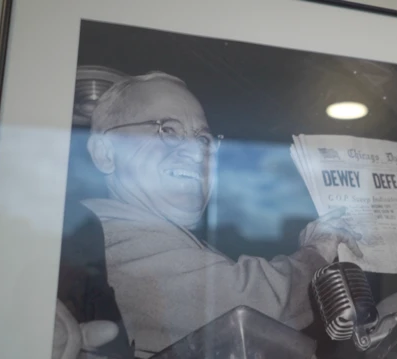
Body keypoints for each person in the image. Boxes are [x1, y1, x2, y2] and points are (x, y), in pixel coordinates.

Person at [81, 71, 363, 357]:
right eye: (167, 130)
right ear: (106, 153)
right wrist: (317, 250)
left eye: (203, 139)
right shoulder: (108, 237)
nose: (194, 152)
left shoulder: (161, 240)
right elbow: (252, 307)